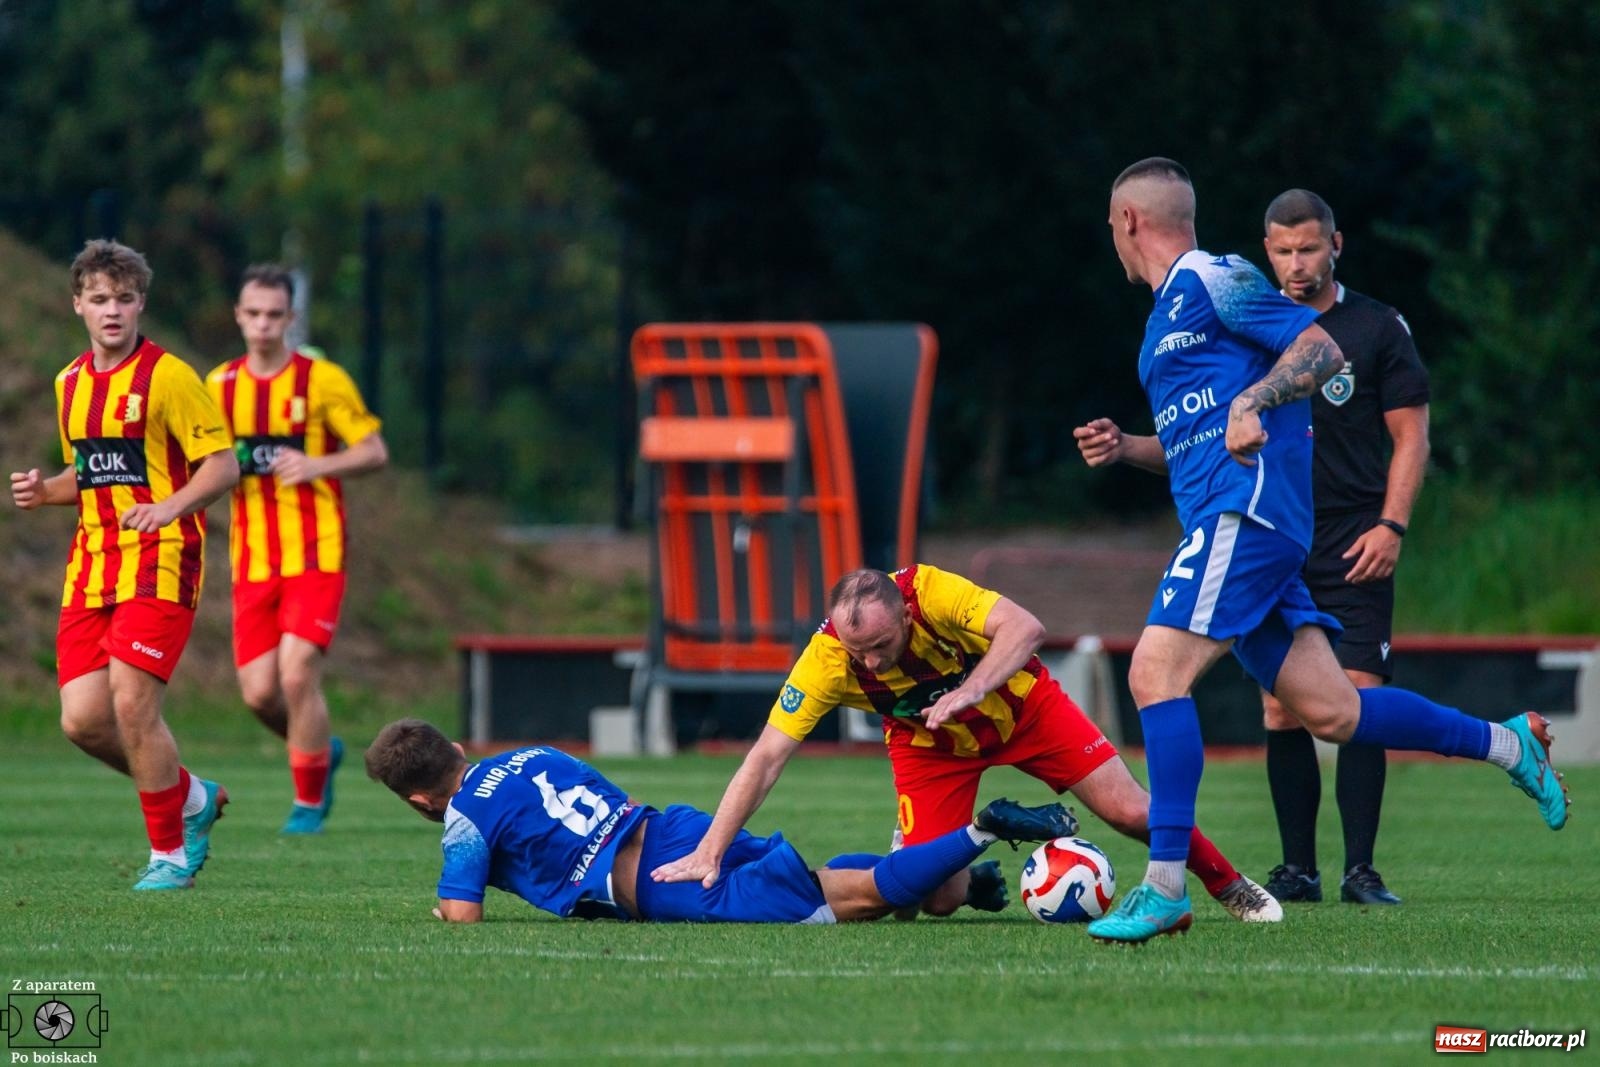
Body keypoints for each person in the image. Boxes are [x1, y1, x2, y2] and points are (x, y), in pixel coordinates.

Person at [1072, 157, 1568, 944]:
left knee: (1152, 672)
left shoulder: (1214, 276)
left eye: (1110, 226)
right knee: (1334, 711)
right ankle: (1509, 744)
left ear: (1126, 221)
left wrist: (1254, 396)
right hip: (1238, 519)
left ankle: (1165, 885)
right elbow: (1200, 441)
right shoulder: (1165, 320)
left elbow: (1319, 351)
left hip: (1249, 516)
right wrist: (1129, 447)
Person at [648, 564, 1283, 925]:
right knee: (935, 900)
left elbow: (1025, 627)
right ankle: (966, 870)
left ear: (903, 611)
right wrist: (710, 850)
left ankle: (1231, 887)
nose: (866, 657)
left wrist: (972, 689)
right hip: (929, 750)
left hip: (1025, 709)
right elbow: (765, 757)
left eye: (879, 644)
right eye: (856, 648)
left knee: (1128, 810)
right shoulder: (827, 660)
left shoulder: (932, 590)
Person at [9, 239, 239, 891]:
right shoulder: (69, 382)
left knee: (133, 701)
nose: (113, 310)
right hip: (92, 566)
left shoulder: (169, 377)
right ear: (77, 303)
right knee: (82, 720)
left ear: (142, 303)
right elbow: (92, 470)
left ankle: (168, 853)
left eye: (126, 298)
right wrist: (43, 489)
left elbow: (221, 464)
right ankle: (192, 796)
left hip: (162, 561)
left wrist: (171, 507)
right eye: (100, 298)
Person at [364, 717, 1077, 924]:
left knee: (841, 900)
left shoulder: (460, 816)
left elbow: (461, 914)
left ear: (421, 800)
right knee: (823, 877)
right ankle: (960, 872)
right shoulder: (532, 749)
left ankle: (982, 827)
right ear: (457, 749)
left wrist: (444, 907)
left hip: (659, 881)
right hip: (676, 829)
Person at [1257, 189, 1431, 907]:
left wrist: (1391, 526)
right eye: (1283, 251)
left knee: (1360, 699)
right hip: (1279, 542)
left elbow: (1411, 435)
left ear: (1337, 245)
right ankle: (1299, 868)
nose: (1297, 265)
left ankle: (1362, 869)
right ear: (1267, 251)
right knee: (1281, 708)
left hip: (1356, 537)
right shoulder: (1253, 328)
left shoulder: (1377, 326)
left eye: (1309, 248)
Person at [206, 265, 388, 834]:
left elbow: (374, 451)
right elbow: (201, 461)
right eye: (252, 313)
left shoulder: (322, 380)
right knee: (261, 695)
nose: (262, 324)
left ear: (290, 319)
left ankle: (307, 804)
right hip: (252, 559)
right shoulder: (217, 388)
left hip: (316, 552)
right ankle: (318, 749)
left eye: (274, 315)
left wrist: (318, 464)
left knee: (296, 673)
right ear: (238, 316)